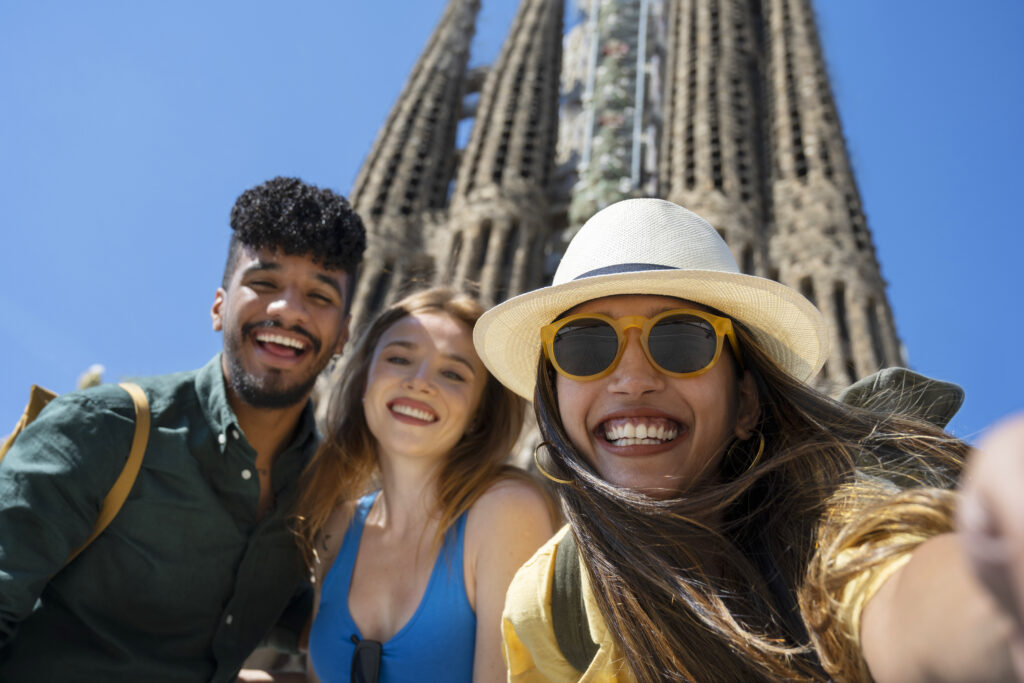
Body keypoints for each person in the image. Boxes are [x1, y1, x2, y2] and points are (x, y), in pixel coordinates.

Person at [473, 197, 1024, 681]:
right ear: (554, 397)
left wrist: (992, 599)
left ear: (747, 401)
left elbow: (895, 596)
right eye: (585, 348)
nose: (633, 378)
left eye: (683, 342)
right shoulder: (553, 598)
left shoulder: (830, 514)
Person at [0, 176, 366, 682]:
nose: (288, 309)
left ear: (344, 335)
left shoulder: (321, 499)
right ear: (219, 306)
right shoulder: (107, 429)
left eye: (320, 295)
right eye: (263, 284)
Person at [292, 287, 554, 683]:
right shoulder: (337, 524)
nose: (419, 382)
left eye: (452, 373)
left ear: (479, 414)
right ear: (365, 380)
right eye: (399, 359)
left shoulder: (504, 512)